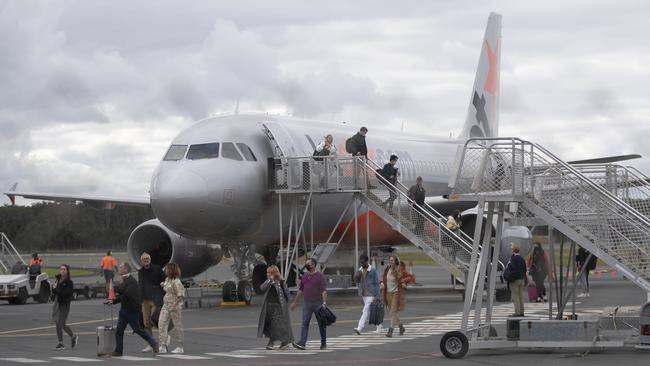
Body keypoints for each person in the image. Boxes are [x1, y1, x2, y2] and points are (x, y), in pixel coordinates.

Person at [108, 262, 159, 357]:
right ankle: (118, 351)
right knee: (119, 330)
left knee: (138, 329)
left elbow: (127, 293)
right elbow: (123, 296)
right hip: (124, 310)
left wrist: (115, 289)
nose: (118, 269)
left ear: (126, 269)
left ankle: (153, 343)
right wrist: (113, 301)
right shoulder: (124, 280)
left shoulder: (131, 281)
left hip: (132, 311)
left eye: (120, 268)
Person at [290, 258, 328, 350]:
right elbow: (301, 290)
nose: (306, 265)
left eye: (308, 264)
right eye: (306, 263)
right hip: (307, 303)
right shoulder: (305, 276)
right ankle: (302, 343)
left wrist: (324, 303)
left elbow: (324, 291)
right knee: (304, 323)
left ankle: (323, 343)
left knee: (321, 324)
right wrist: (295, 302)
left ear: (313, 265)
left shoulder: (320, 276)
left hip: (318, 303)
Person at [258, 265, 293, 350]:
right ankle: (280, 342)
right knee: (270, 325)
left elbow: (287, 293)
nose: (267, 274)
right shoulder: (268, 282)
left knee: (277, 325)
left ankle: (274, 342)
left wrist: (289, 303)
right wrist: (270, 279)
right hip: (269, 306)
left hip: (279, 306)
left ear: (274, 273)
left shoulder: (281, 282)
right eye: (267, 272)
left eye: (269, 273)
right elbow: (262, 288)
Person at [380, 255, 415, 337]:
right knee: (393, 313)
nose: (391, 262)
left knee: (392, 312)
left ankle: (390, 331)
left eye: (392, 260)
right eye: (390, 260)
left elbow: (410, 277)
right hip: (388, 293)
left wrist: (403, 281)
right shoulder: (387, 269)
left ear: (395, 261)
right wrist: (381, 282)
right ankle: (401, 327)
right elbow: (383, 277)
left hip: (396, 293)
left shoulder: (399, 270)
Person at [137, 252, 165, 352]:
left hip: (155, 299)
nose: (146, 260)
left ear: (150, 259)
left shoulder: (157, 269)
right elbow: (140, 286)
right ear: (141, 261)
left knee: (156, 320)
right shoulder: (140, 271)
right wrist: (138, 300)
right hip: (145, 300)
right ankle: (151, 343)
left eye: (147, 258)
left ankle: (162, 342)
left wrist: (162, 286)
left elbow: (165, 279)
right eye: (144, 259)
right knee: (146, 323)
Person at [158, 262, 185, 354]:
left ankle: (180, 346)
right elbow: (167, 287)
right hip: (166, 305)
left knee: (177, 326)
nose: (165, 270)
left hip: (174, 307)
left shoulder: (176, 282)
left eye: (166, 269)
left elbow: (180, 295)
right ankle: (163, 344)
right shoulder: (167, 280)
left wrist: (175, 305)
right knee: (161, 324)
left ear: (171, 270)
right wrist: (163, 285)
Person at [52, 264, 78, 350]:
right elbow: (54, 291)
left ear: (67, 271)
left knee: (61, 323)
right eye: (61, 269)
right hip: (57, 303)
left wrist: (56, 289)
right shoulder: (58, 280)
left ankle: (68, 339)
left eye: (64, 269)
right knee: (58, 323)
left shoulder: (69, 282)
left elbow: (65, 293)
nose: (62, 271)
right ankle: (63, 341)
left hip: (65, 304)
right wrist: (54, 288)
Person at [353, 254, 380, 335]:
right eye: (360, 262)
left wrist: (377, 296)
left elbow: (376, 283)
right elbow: (356, 281)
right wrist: (357, 275)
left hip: (371, 293)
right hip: (364, 294)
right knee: (371, 311)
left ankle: (360, 328)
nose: (362, 264)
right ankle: (379, 325)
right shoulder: (360, 270)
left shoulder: (373, 270)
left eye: (363, 262)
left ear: (367, 261)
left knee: (365, 310)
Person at [504, 244, 527, 316]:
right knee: (521, 296)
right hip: (521, 279)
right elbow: (525, 269)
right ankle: (522, 311)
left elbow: (510, 268)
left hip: (514, 280)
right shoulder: (522, 258)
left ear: (513, 251)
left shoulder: (513, 259)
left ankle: (517, 312)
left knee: (515, 296)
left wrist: (509, 277)